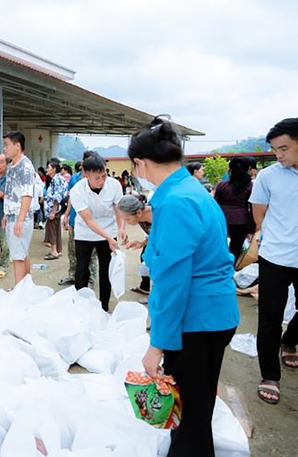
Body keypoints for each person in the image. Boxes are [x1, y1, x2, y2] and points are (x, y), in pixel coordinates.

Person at [129, 116, 239, 456]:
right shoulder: (191, 191)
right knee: (197, 410)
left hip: (195, 320)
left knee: (189, 419)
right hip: (214, 314)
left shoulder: (175, 202)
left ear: (141, 164)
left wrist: (157, 345)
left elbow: (173, 283)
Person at [249, 118, 298, 405]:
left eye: (284, 149)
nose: (278, 155)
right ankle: (270, 375)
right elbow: (259, 215)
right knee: (269, 318)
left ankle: (290, 340)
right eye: (275, 150)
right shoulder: (269, 176)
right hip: (276, 257)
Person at [69, 153, 125, 311]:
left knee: (106, 269)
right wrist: (108, 237)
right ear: (86, 174)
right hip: (85, 232)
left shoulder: (114, 185)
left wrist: (121, 228)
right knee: (82, 269)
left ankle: (104, 306)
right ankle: (80, 304)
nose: (101, 181)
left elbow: (119, 210)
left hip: (108, 229)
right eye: (97, 178)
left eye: (104, 175)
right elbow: (88, 220)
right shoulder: (77, 190)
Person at [59, 150, 98, 288]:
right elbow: (71, 197)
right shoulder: (75, 178)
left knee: (90, 255)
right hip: (75, 220)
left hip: (90, 222)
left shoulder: (95, 179)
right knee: (72, 250)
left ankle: (90, 280)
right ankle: (73, 275)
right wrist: (67, 214)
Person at [2, 131, 36, 285]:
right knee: (22, 253)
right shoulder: (12, 166)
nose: (4, 149)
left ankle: (19, 291)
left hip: (20, 217)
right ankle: (26, 287)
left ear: (18, 146)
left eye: (7, 145)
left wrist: (20, 220)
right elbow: (10, 192)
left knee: (18, 258)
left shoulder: (25, 166)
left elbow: (27, 195)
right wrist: (5, 214)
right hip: (11, 215)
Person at [214, 158, 255, 264]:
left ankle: (219, 268)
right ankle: (231, 270)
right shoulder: (250, 187)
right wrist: (251, 229)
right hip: (241, 222)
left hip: (222, 220)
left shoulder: (222, 185)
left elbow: (215, 205)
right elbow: (251, 210)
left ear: (230, 171)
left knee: (220, 246)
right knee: (235, 249)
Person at [117, 194, 152, 303]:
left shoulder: (159, 217)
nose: (127, 222)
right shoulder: (140, 216)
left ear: (139, 213)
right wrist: (142, 244)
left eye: (127, 219)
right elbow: (153, 236)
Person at [43, 158, 68, 261]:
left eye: (48, 167)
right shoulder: (57, 179)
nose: (46, 169)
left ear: (53, 169)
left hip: (55, 210)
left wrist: (53, 211)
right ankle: (57, 250)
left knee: (52, 230)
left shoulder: (56, 180)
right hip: (57, 209)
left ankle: (54, 251)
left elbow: (56, 197)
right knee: (56, 229)